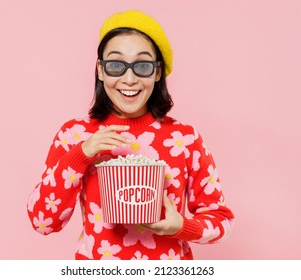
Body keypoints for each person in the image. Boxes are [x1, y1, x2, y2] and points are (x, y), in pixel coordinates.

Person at [27, 10, 235, 260]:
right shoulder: (75, 134)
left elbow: (221, 221)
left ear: (157, 73)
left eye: (143, 66)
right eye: (116, 65)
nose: (129, 78)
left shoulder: (185, 139)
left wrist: (180, 227)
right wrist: (82, 154)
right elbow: (43, 222)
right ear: (101, 70)